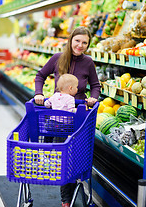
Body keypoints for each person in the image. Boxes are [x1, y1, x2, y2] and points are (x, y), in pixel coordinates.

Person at [34, 26, 101, 207]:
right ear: (71, 39)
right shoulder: (57, 58)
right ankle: (65, 195)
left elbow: (96, 85)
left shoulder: (88, 62)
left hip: (78, 116)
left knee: (71, 157)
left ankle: (66, 199)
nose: (80, 45)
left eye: (84, 42)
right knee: (61, 156)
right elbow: (40, 75)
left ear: (88, 44)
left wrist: (94, 97)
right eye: (77, 41)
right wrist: (38, 93)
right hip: (57, 117)